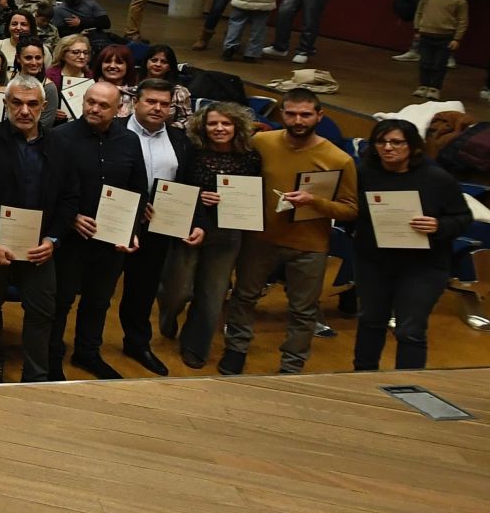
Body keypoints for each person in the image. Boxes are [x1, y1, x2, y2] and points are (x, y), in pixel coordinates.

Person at [219, 89, 359, 376]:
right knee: (244, 297)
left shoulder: (339, 159)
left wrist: (316, 202)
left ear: (319, 116)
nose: (298, 120)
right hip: (260, 239)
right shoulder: (261, 142)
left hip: (309, 246)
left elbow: (350, 210)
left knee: (304, 310)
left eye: (305, 114)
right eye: (291, 113)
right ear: (282, 114)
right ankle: (236, 349)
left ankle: (292, 365)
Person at [45, 79, 146, 379]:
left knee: (99, 300)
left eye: (103, 105)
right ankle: (51, 358)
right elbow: (48, 189)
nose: (94, 109)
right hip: (70, 239)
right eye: (90, 102)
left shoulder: (129, 141)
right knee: (61, 300)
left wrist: (131, 230)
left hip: (110, 241)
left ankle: (88, 353)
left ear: (118, 110)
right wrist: (72, 217)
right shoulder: (59, 137)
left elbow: (138, 189)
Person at [350, 119, 470, 371]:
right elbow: (348, 210)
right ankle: (362, 378)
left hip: (423, 266)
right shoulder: (363, 173)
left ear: (412, 146)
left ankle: (409, 385)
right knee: (370, 321)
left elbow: (462, 218)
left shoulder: (437, 178)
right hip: (374, 261)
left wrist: (439, 226)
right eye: (381, 142)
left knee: (410, 329)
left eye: (396, 142)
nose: (388, 148)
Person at [0, 75, 59, 383]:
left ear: (43, 107)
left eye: (32, 104)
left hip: (40, 245)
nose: (24, 111)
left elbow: (69, 196)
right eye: (16, 103)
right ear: (6, 104)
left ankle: (36, 371)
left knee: (42, 309)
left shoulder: (59, 145)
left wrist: (54, 239)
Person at [157, 103, 264, 368]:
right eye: (213, 123)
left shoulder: (251, 157)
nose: (219, 129)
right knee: (178, 290)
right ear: (203, 126)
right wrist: (198, 198)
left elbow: (251, 196)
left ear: (237, 126)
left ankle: (195, 346)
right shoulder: (191, 152)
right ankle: (168, 316)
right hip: (191, 226)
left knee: (212, 293)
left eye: (226, 123)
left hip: (227, 233)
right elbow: (177, 189)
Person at [115, 78, 201, 376]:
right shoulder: (114, 131)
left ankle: (137, 343)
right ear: (135, 102)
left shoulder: (180, 140)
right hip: (115, 219)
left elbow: (190, 184)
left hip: (158, 226)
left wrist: (194, 219)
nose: (157, 108)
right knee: (98, 288)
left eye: (164, 104)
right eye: (151, 101)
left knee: (143, 288)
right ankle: (86, 345)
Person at [410, 0, 469, 100]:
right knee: (424, 62)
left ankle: (435, 88)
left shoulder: (459, 1)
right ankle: (423, 85)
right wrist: (418, 30)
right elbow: (419, 13)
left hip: (445, 38)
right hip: (425, 36)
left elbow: (462, 21)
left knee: (439, 64)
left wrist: (456, 38)